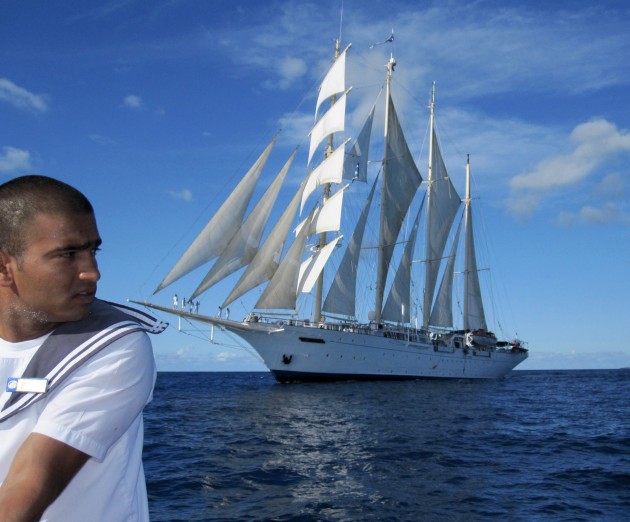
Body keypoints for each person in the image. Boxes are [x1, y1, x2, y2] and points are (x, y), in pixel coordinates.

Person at [0, 175, 167, 522]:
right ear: (4, 267)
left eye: (93, 251)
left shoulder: (116, 345)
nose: (93, 272)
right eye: (68, 255)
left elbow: (32, 481)